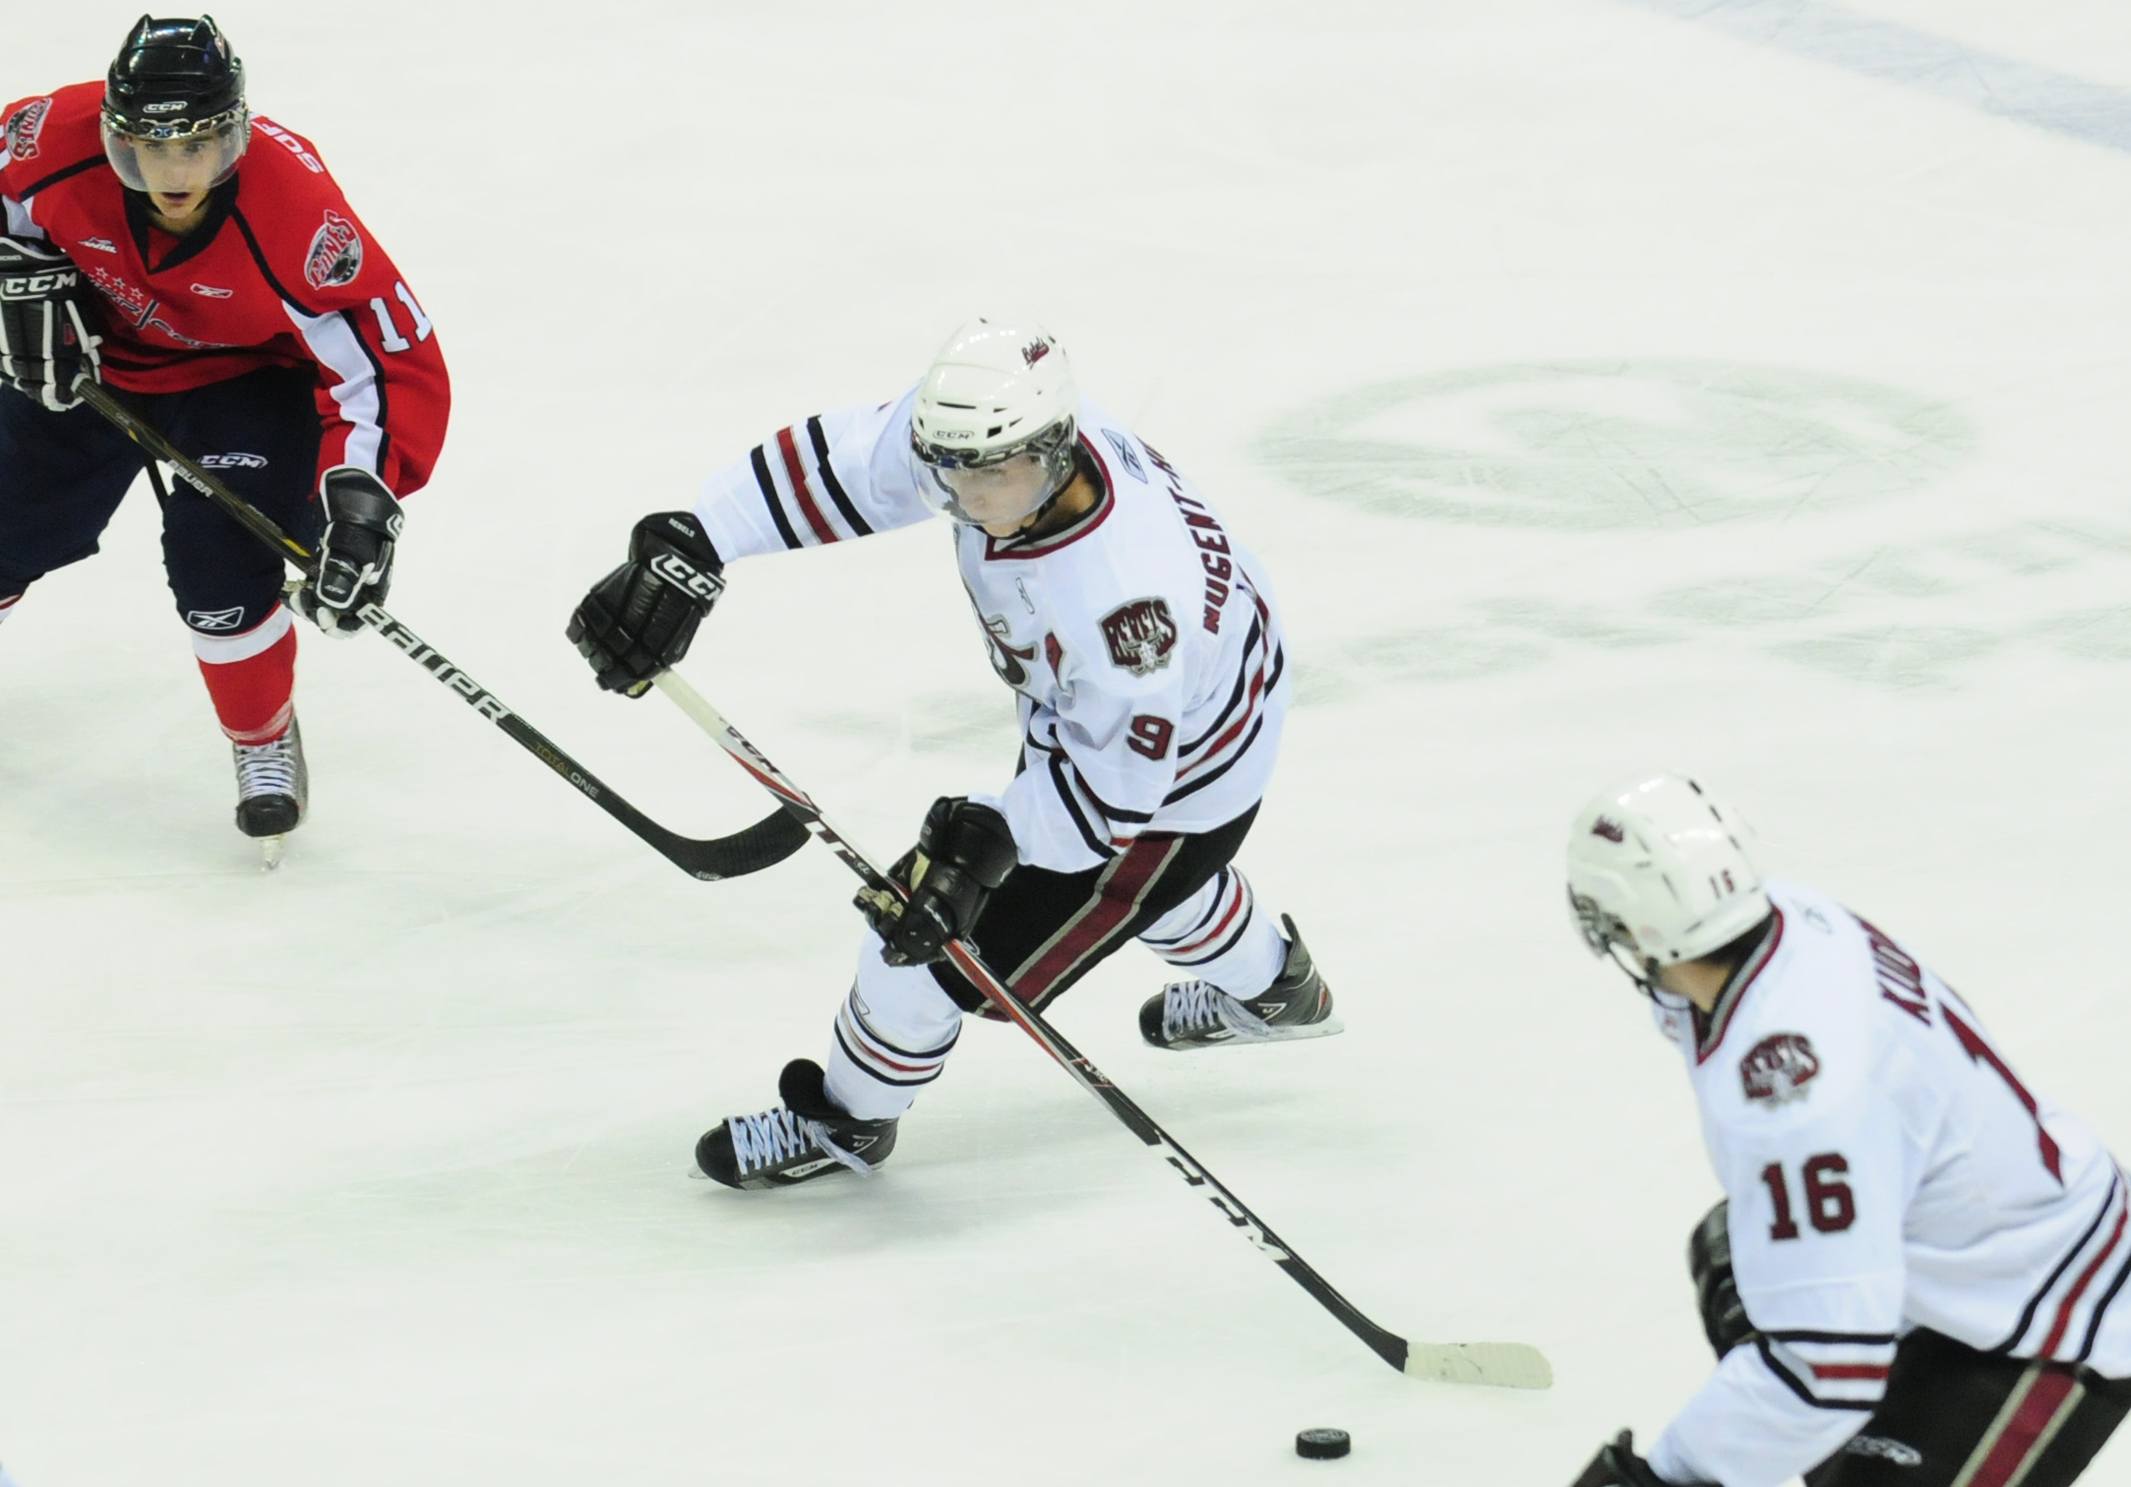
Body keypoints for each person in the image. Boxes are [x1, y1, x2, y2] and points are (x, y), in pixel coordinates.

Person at [567, 317, 1339, 1187]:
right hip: (1151, 714)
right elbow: (846, 463)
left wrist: (978, 855)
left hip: (1174, 789)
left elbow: (1113, 803)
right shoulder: (992, 441)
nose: (963, 493)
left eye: (989, 474)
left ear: (1054, 454)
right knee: (1142, 899)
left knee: (920, 945)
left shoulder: (1124, 609)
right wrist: (695, 541)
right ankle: (1278, 987)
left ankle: (846, 1122)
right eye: (950, 466)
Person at [1563, 774, 2131, 1487]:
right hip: (1969, 1249)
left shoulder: (1791, 1093)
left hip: (2049, 1316)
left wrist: (1668, 1475)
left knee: (1808, 1348)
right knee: (1731, 1256)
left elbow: (1827, 1369)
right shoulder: (1793, 917)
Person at [0, 16, 449, 859]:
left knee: (221, 572)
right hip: (94, 360)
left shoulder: (302, 222)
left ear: (235, 133)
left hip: (242, 382)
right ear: (111, 133)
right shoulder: (46, 139)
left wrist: (359, 501)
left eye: (197, 147)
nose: (173, 175)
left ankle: (260, 738)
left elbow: (390, 369)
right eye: (147, 150)